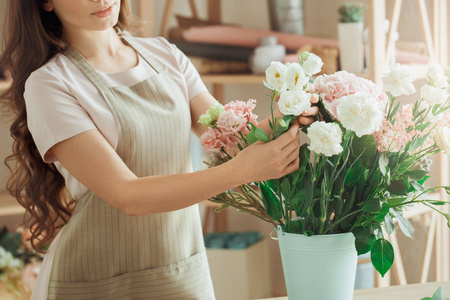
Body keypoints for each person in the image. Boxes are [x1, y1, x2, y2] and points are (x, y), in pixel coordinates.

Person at [0, 0, 318, 299]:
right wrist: (241, 171)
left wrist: (287, 113)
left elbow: (233, 140)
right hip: (96, 277)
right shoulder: (51, 83)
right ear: (45, 2)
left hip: (179, 264)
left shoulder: (166, 55)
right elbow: (127, 195)